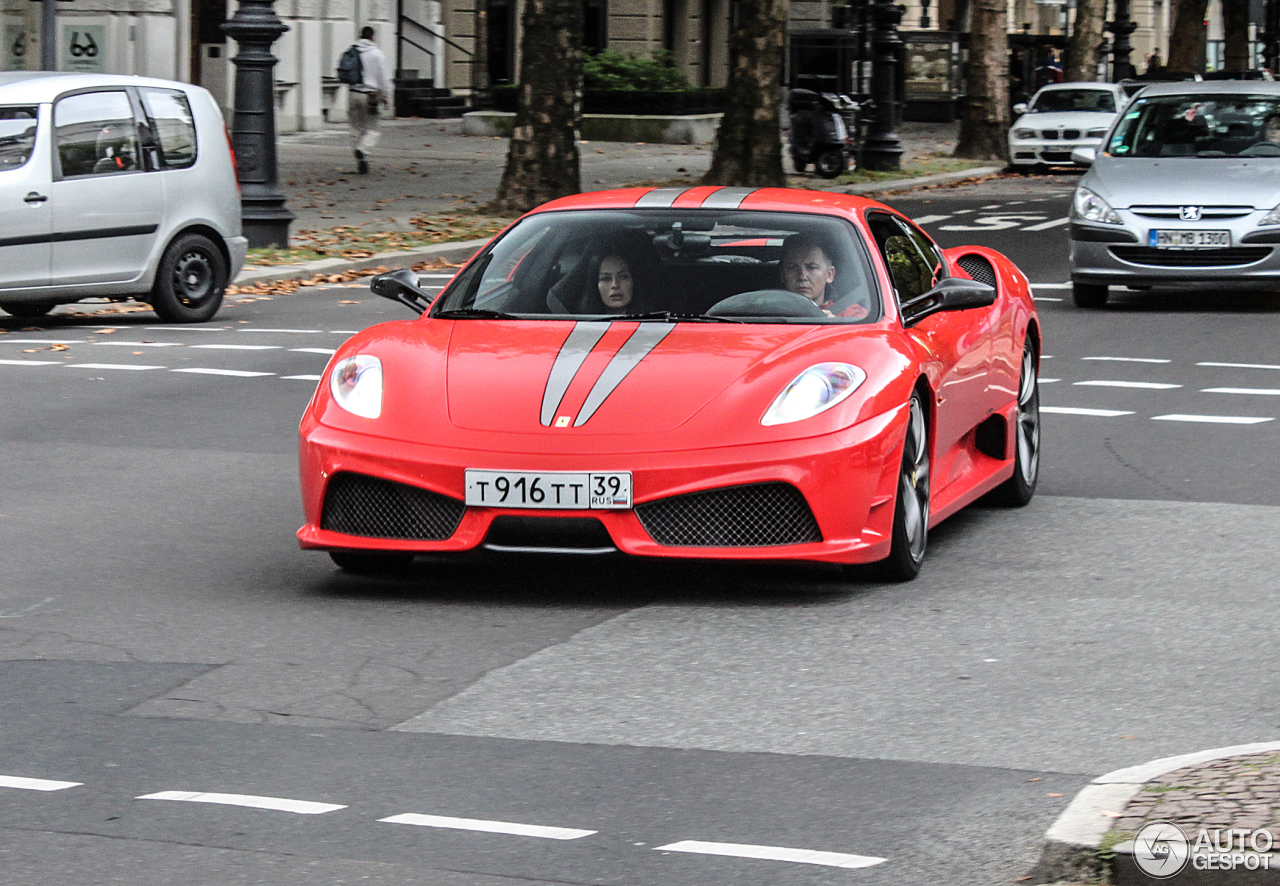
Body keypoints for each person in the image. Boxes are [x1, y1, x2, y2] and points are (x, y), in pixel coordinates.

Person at [780, 233, 869, 319]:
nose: (802, 276)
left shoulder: (853, 315)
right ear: (782, 274)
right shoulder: (768, 315)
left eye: (811, 268)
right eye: (793, 268)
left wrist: (836, 328)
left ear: (830, 274)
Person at [346, 26, 393, 175]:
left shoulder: (352, 51)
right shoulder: (377, 54)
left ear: (361, 36)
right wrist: (385, 97)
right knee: (372, 128)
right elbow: (383, 79)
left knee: (355, 128)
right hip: (370, 95)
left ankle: (359, 158)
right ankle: (363, 149)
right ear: (373, 37)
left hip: (353, 93)